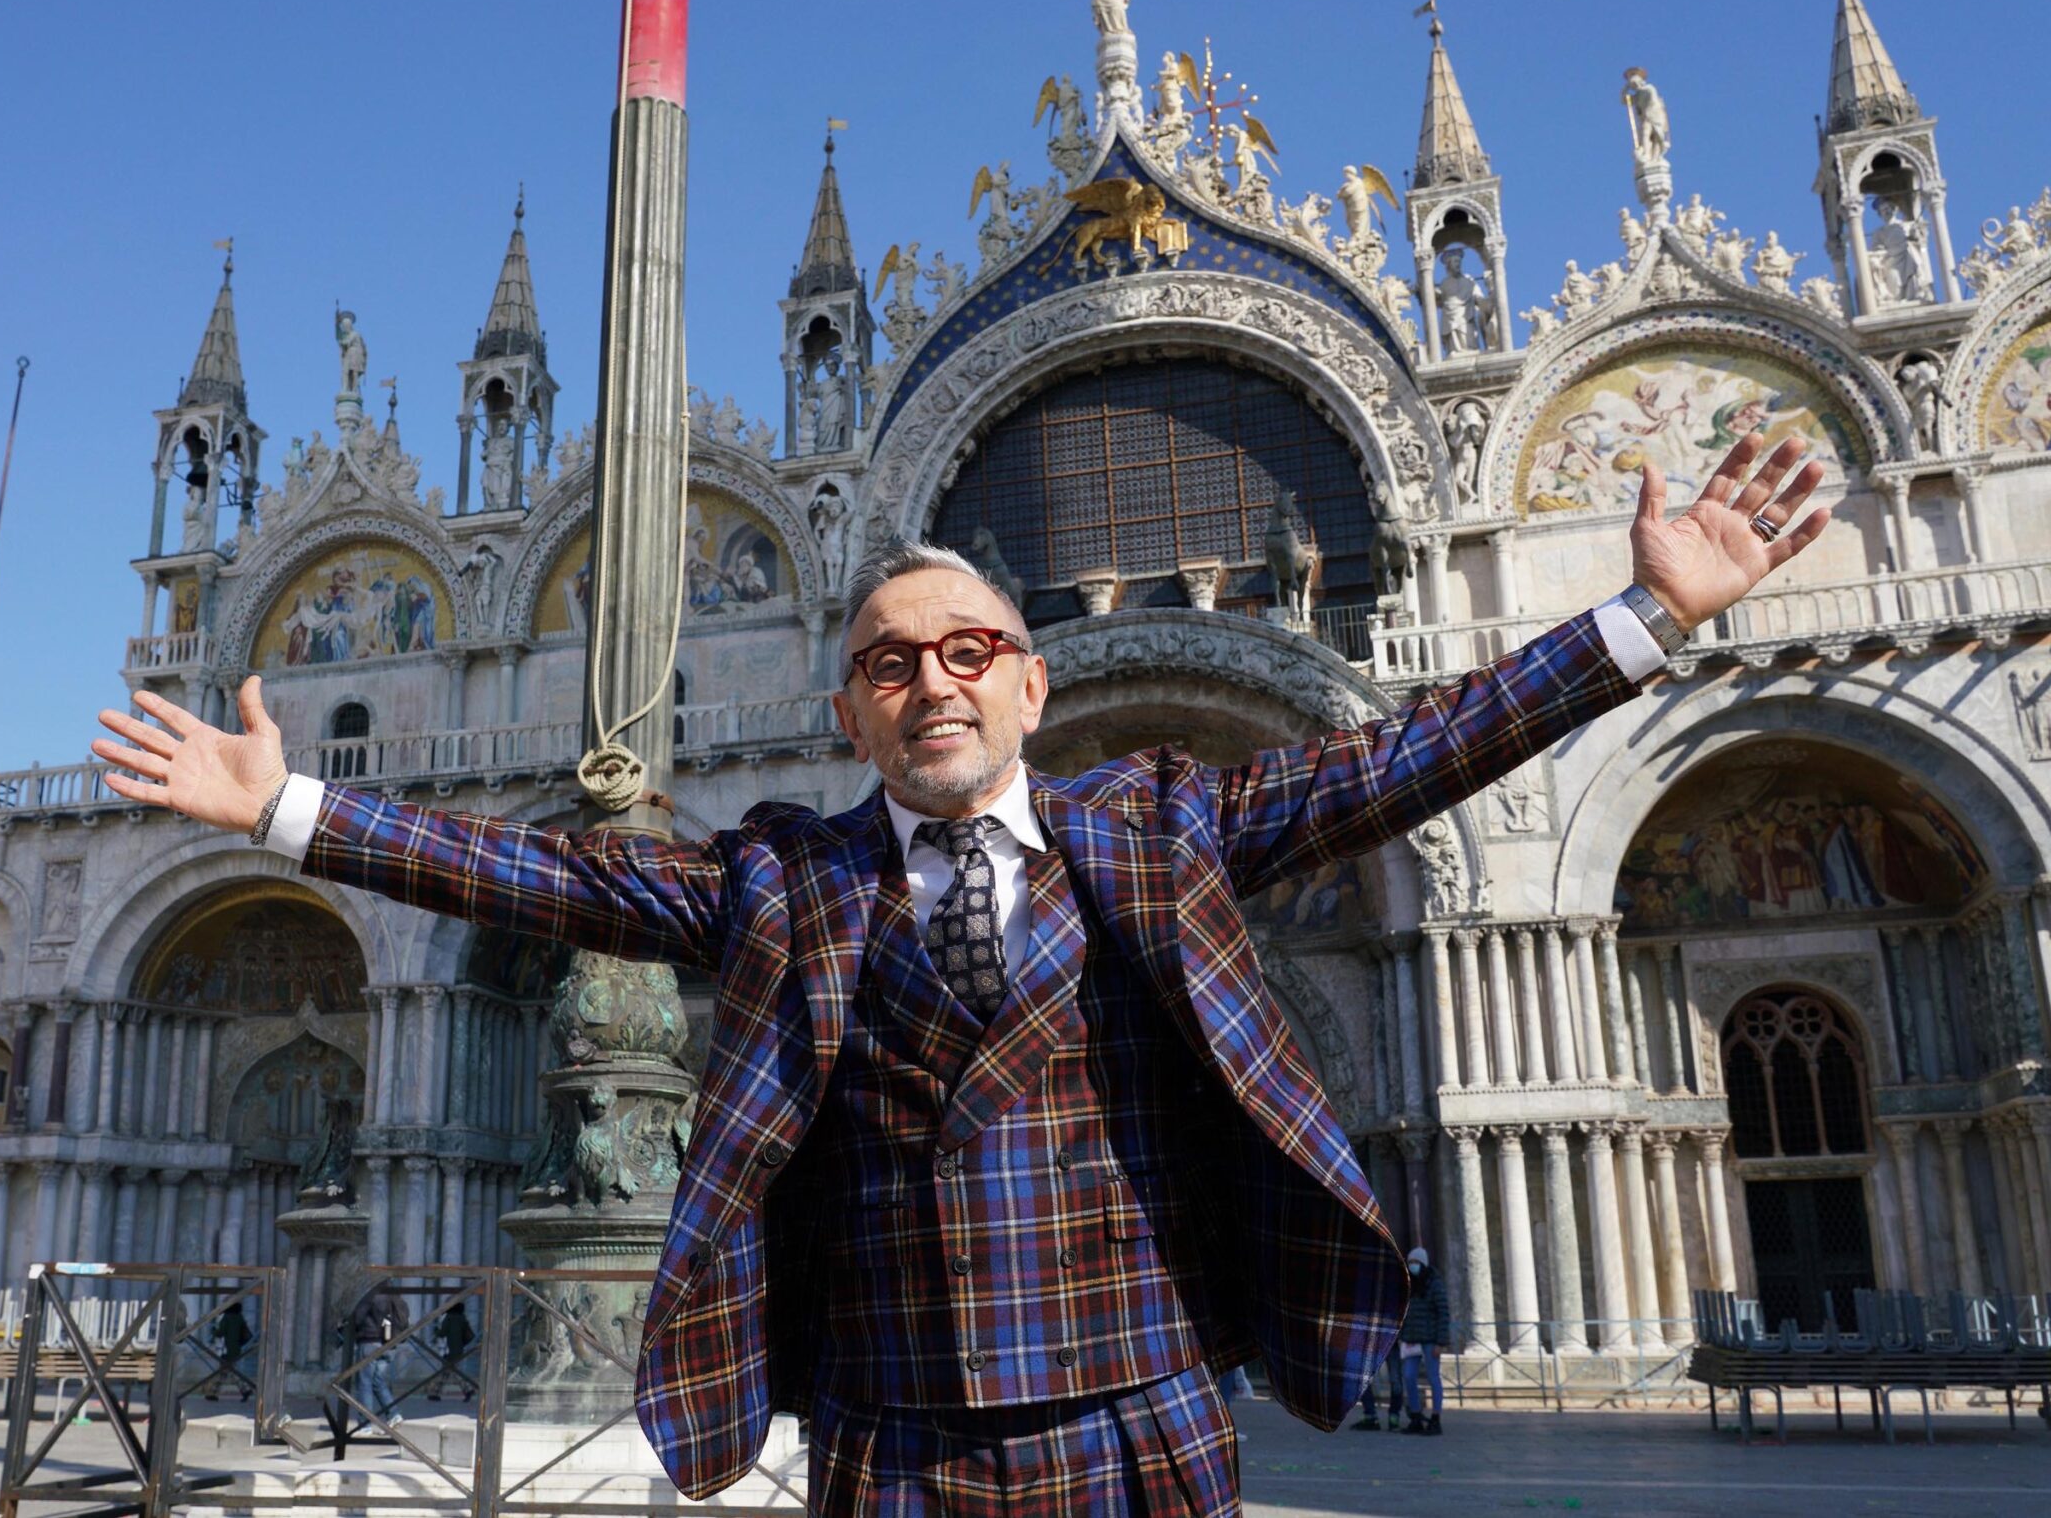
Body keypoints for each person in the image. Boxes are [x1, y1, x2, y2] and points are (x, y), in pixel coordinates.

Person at [93, 435, 1829, 1515]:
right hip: (892, 1439)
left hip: (1137, 1417)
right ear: (850, 707)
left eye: (969, 648)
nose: (932, 678)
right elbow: (542, 867)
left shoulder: (1160, 829)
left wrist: (1641, 619)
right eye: (890, 661)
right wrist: (297, 806)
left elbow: (1407, 760)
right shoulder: (787, 874)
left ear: (1028, 688)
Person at [1396, 1249, 1450, 1436]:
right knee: (1409, 1376)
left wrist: (1441, 1342)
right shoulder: (1408, 1286)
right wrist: (1403, 1336)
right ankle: (1416, 1416)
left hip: (1430, 1340)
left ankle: (1435, 1418)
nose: (1412, 1265)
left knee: (1433, 1377)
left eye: (1415, 1262)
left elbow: (1443, 1313)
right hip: (1412, 1340)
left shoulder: (1434, 1284)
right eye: (1410, 1261)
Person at [347, 1280, 410, 1427]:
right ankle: (394, 1414)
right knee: (377, 1382)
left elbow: (357, 1318)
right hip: (389, 1346)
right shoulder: (399, 1300)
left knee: (365, 1383)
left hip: (370, 1342)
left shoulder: (372, 1296)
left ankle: (365, 1424)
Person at [202, 1300, 255, 1401]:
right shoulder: (240, 1318)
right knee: (224, 1371)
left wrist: (213, 1331)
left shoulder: (226, 1317)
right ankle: (213, 1392)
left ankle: (245, 1389)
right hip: (236, 1348)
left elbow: (220, 1332)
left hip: (225, 1349)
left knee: (228, 1371)